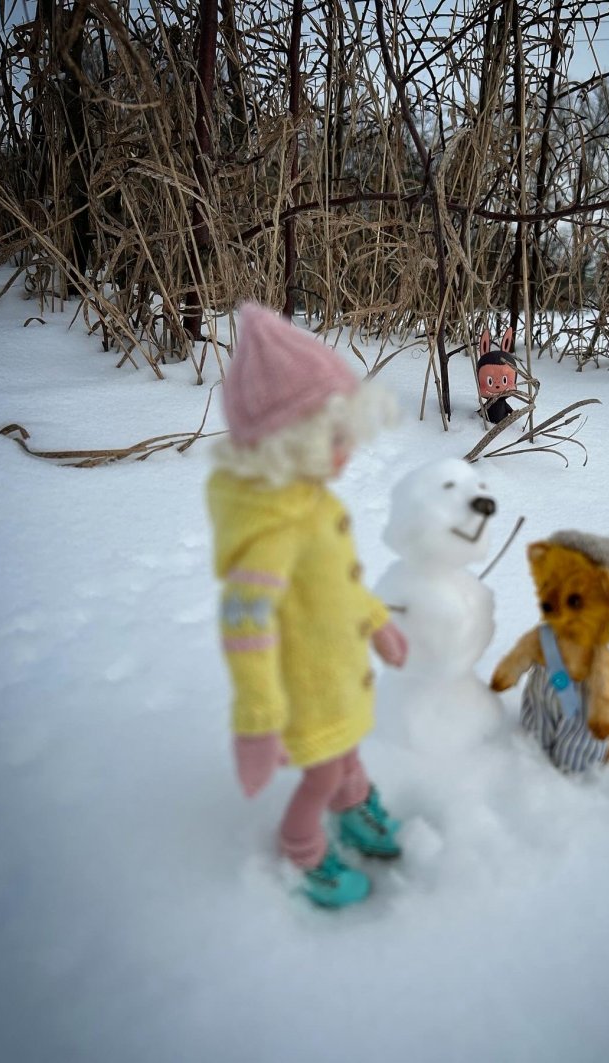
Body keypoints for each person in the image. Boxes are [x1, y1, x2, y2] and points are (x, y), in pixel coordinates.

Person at [207, 303, 408, 909]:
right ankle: (302, 848)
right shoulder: (274, 525)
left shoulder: (311, 501)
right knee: (322, 768)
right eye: (332, 439)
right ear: (286, 445)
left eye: (347, 435)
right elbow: (245, 623)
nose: (346, 453)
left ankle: (352, 807)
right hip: (303, 686)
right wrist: (257, 722)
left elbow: (335, 585)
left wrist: (375, 623)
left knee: (344, 749)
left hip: (334, 672)